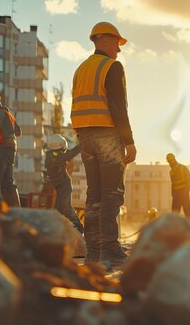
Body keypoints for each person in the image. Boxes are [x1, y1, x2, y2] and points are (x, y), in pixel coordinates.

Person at [71, 21, 137, 270]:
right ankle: (110, 248)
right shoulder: (112, 66)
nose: (119, 50)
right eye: (117, 44)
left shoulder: (81, 69)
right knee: (112, 192)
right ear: (106, 40)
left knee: (94, 195)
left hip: (85, 138)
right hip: (107, 135)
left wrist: (80, 134)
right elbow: (118, 106)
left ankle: (94, 252)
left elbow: (76, 104)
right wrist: (128, 140)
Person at [44, 134, 84, 234]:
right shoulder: (59, 156)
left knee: (64, 208)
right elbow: (73, 152)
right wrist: (84, 143)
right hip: (63, 185)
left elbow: (67, 156)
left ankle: (78, 227)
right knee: (61, 209)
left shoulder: (49, 155)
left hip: (63, 186)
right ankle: (75, 226)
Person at [166, 153, 190, 221]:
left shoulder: (182, 168)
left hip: (183, 192)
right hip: (176, 194)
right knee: (175, 212)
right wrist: (173, 194)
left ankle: (189, 227)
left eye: (170, 161)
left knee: (187, 211)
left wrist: (186, 190)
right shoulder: (171, 172)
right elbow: (173, 184)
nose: (170, 163)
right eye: (168, 162)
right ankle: (174, 228)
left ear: (174, 160)